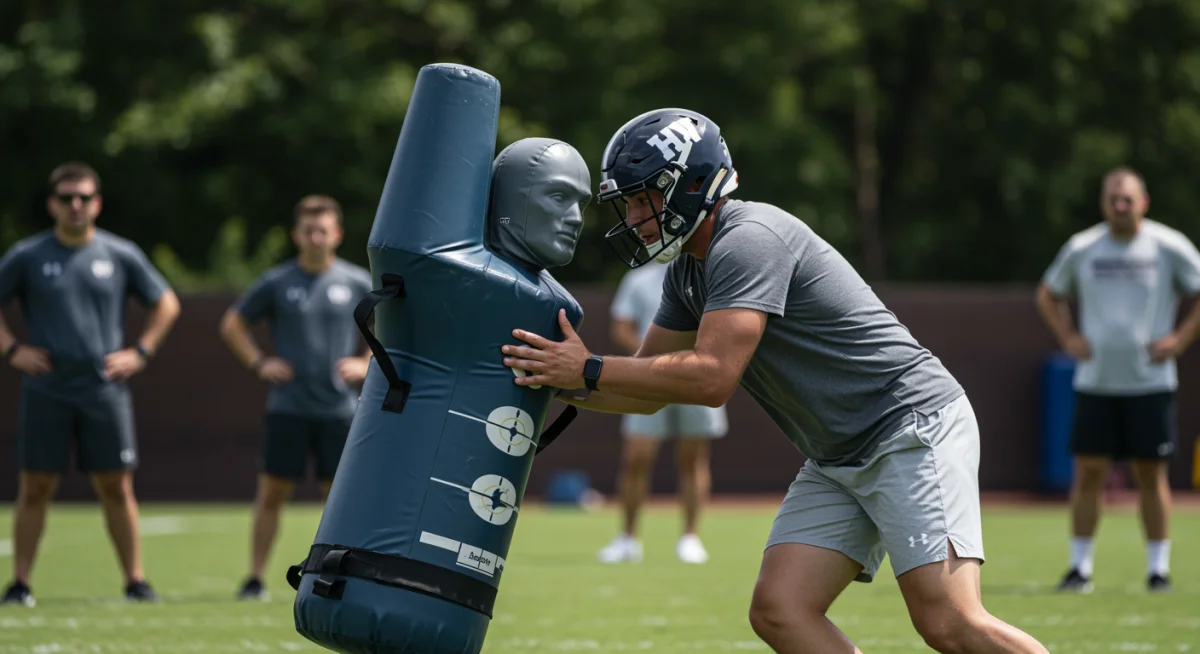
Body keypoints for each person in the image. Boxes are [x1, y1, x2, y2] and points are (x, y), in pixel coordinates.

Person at [502, 109, 1050, 653]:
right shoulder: (687, 269)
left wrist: (588, 368)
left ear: (694, 184)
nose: (636, 216)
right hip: (839, 454)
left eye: (645, 198)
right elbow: (647, 389)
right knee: (782, 611)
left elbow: (712, 378)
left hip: (908, 427)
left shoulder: (749, 238)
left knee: (951, 621)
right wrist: (553, 377)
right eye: (630, 202)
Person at [0, 161, 182, 606]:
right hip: (47, 390)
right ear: (52, 205)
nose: (75, 205)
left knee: (116, 485)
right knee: (36, 486)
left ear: (97, 204)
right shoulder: (28, 256)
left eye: (83, 197)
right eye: (66, 198)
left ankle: (135, 581)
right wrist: (12, 350)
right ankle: (20, 583)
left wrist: (140, 352)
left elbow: (167, 304)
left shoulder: (120, 254)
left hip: (104, 392)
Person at [1035, 167, 1200, 594]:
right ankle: (1079, 569)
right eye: (1113, 199)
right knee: (1088, 472)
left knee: (1151, 474)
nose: (1120, 206)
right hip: (1096, 382)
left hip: (1151, 381)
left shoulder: (1167, 245)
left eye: (1128, 199)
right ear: (1103, 203)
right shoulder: (1084, 246)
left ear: (1144, 202)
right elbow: (1048, 293)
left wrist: (1179, 339)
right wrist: (1068, 336)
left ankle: (1158, 571)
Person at [218, 195, 373, 601]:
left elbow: (391, 326)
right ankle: (254, 578)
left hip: (338, 409)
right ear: (296, 235)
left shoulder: (356, 281)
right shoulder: (277, 282)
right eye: (308, 230)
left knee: (337, 500)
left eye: (323, 230)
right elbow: (232, 323)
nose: (316, 237)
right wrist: (258, 363)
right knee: (271, 494)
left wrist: (365, 362)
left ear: (336, 234)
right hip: (288, 408)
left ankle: (338, 577)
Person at [596, 261, 727, 565]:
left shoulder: (710, 274)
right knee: (636, 457)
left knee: (693, 459)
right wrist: (656, 355)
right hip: (650, 378)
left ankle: (690, 539)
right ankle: (627, 540)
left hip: (695, 376)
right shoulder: (638, 279)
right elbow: (622, 326)